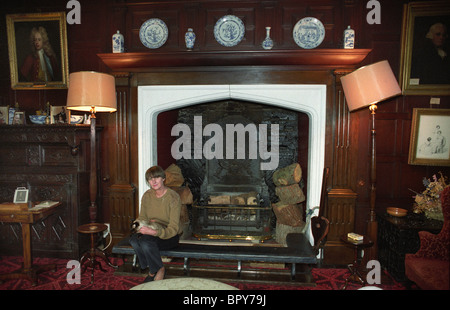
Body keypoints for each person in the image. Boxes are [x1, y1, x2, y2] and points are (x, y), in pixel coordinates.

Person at [129, 166, 182, 282]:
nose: (153, 181)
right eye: (150, 179)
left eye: (156, 177)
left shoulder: (173, 197)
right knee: (133, 240)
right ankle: (158, 267)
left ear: (163, 178)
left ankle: (153, 272)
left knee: (145, 242)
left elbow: (173, 228)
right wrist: (138, 225)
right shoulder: (147, 195)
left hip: (169, 236)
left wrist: (154, 232)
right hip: (150, 230)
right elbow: (142, 217)